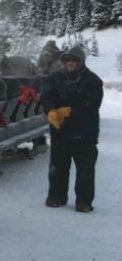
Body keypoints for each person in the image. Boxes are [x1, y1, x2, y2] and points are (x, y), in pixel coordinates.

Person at [40, 45, 103, 213]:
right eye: (67, 59)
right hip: (60, 131)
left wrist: (68, 111)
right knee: (58, 167)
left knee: (85, 169)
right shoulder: (53, 79)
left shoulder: (93, 81)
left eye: (74, 60)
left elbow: (92, 105)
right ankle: (56, 197)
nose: (70, 63)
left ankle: (84, 201)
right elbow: (46, 96)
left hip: (85, 132)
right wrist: (51, 111)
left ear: (81, 62)